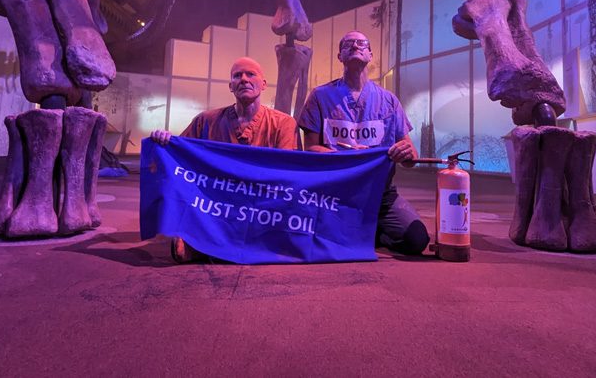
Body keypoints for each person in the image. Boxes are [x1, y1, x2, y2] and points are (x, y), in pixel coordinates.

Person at [151, 56, 298, 262]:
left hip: (262, 206)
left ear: (263, 84)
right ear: (231, 86)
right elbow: (179, 156)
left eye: (251, 74)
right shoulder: (206, 121)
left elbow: (287, 176)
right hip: (217, 206)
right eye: (238, 76)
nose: (244, 79)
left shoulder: (284, 124)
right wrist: (164, 140)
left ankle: (213, 245)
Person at [298, 31, 430, 255]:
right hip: (336, 193)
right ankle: (359, 229)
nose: (355, 46)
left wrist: (407, 152)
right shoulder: (320, 97)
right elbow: (311, 149)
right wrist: (344, 156)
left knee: (416, 240)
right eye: (348, 43)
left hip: (380, 195)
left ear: (370, 55)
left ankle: (372, 231)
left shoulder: (389, 101)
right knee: (306, 237)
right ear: (340, 56)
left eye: (362, 43)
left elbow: (412, 157)